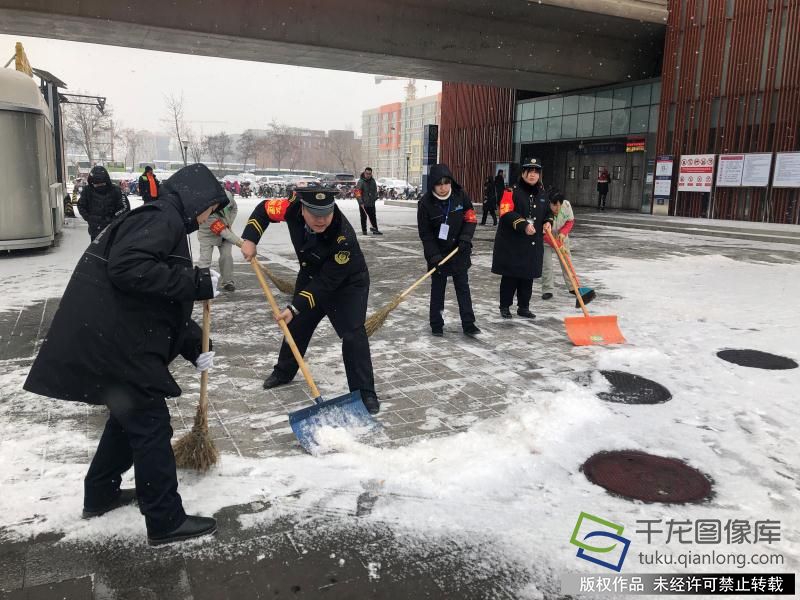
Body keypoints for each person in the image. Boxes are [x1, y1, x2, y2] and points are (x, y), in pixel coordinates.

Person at [24, 163, 227, 547]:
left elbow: (153, 299)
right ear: (196, 198)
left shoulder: (162, 218)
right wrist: (195, 282)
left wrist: (196, 344)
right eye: (210, 207)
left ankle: (100, 494)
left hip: (115, 338)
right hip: (117, 344)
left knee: (126, 416)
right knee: (150, 424)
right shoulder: (161, 217)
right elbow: (128, 269)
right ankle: (165, 520)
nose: (209, 216)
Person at [239, 188, 380, 415]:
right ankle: (283, 372)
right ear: (302, 208)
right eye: (314, 213)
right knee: (296, 326)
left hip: (347, 284)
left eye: (326, 212)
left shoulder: (343, 237)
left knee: (353, 335)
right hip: (312, 273)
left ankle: (365, 392)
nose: (321, 219)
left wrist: (295, 308)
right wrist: (250, 239)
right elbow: (263, 209)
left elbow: (326, 284)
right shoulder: (289, 208)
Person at [417, 164, 481, 337]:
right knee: (438, 290)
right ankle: (436, 324)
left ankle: (469, 323)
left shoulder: (460, 196)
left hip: (459, 251)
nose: (444, 187)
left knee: (463, 288)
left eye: (446, 183)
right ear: (432, 185)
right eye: (439, 184)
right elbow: (425, 234)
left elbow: (470, 218)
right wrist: (434, 256)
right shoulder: (425, 204)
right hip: (437, 253)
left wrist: (466, 238)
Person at [491, 158, 553, 319]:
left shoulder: (542, 194)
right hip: (513, 243)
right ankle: (505, 306)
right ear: (523, 173)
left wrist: (548, 222)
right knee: (510, 277)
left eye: (536, 172)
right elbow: (505, 212)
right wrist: (523, 224)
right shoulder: (511, 191)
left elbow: (547, 212)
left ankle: (523, 307)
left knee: (528, 277)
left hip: (532, 243)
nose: (532, 175)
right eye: (529, 172)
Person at [198, 190, 242, 292]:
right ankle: (202, 282)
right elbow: (222, 231)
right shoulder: (207, 209)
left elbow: (234, 209)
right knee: (205, 259)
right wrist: (240, 243)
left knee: (226, 256)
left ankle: (228, 282)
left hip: (225, 230)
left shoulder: (228, 197)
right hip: (208, 234)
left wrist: (229, 222)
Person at [78, 165, 129, 240]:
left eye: (102, 183)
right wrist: (90, 218)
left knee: (112, 250)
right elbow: (81, 205)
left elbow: (125, 207)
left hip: (113, 230)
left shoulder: (116, 190)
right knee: (95, 251)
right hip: (95, 231)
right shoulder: (87, 191)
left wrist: (114, 219)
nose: (99, 186)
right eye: (96, 184)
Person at [541, 192, 574, 300]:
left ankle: (573, 287)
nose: (557, 208)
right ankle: (548, 290)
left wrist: (563, 233)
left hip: (561, 238)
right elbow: (544, 234)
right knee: (547, 265)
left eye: (559, 205)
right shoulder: (543, 209)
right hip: (546, 240)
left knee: (567, 263)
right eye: (554, 205)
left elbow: (570, 221)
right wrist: (558, 245)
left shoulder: (566, 205)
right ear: (549, 203)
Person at [355, 167, 381, 235]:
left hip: (371, 203)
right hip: (363, 203)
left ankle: (375, 230)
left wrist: (375, 197)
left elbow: (375, 190)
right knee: (363, 218)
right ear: (364, 173)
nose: (368, 175)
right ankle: (364, 231)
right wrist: (360, 202)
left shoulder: (373, 181)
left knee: (373, 217)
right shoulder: (361, 182)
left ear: (371, 174)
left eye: (369, 174)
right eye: (367, 173)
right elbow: (357, 192)